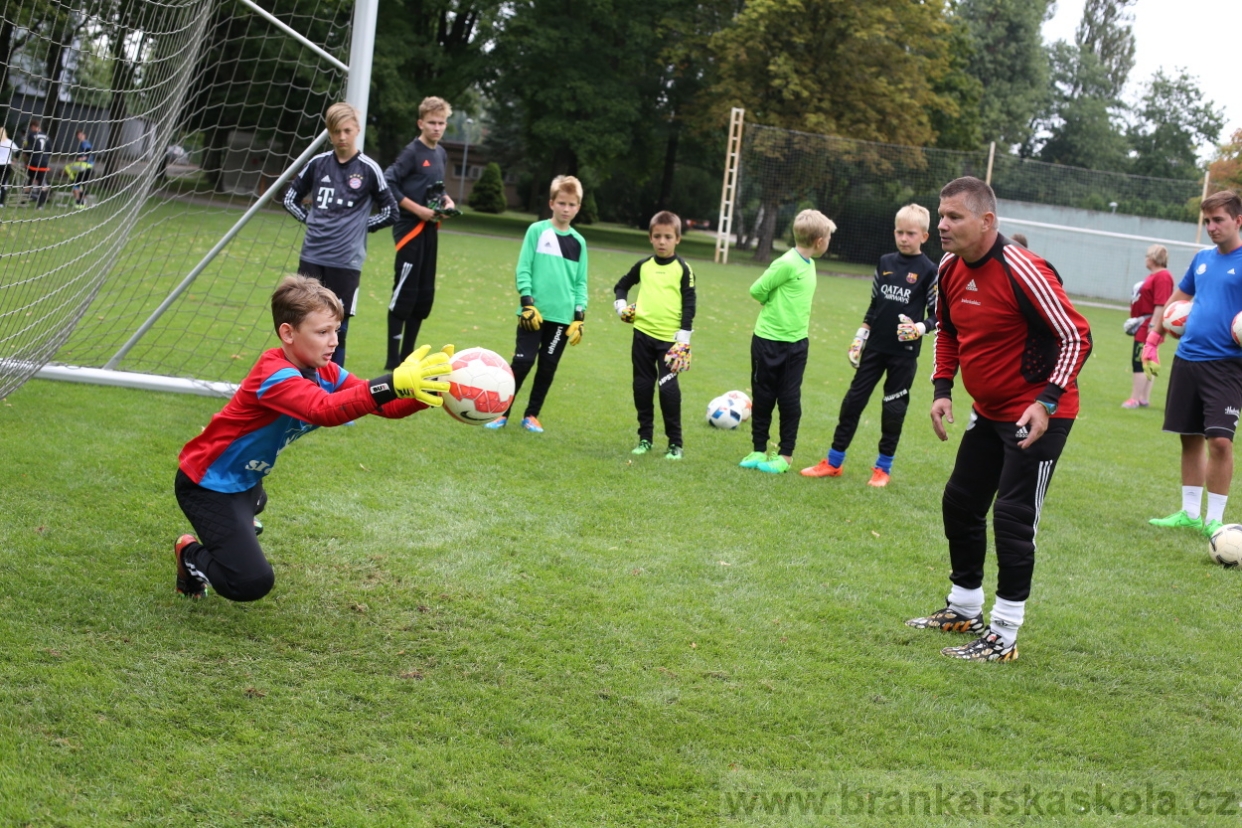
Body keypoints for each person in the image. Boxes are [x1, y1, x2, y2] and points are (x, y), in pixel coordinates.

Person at [172, 275, 453, 602]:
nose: (334, 341)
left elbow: (385, 407)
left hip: (246, 482)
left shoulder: (326, 372)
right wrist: (389, 382)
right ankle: (188, 553)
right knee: (250, 582)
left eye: (336, 330)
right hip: (206, 484)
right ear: (288, 333)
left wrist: (430, 390)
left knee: (253, 505)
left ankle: (246, 516)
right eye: (322, 332)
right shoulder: (274, 375)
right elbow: (323, 409)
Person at [906, 176, 1091, 662]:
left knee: (1012, 517)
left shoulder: (1023, 270)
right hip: (988, 411)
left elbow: (1077, 337)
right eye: (940, 215)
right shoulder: (947, 268)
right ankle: (965, 607)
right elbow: (947, 330)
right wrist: (942, 388)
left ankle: (1004, 634)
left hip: (1040, 414)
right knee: (961, 503)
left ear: (987, 221)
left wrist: (1046, 401)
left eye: (953, 217)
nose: (941, 225)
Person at [801, 204, 937, 486]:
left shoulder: (929, 270)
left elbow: (938, 316)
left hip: (904, 354)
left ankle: (882, 469)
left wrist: (918, 328)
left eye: (911, 233)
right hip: (874, 349)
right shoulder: (885, 262)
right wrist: (859, 337)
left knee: (893, 412)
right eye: (899, 232)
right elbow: (875, 305)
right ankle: (834, 462)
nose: (903, 238)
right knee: (852, 404)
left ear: (924, 236)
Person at [1147, 191, 1242, 539]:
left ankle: (1215, 519)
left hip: (1227, 366)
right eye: (1207, 221)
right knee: (1189, 437)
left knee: (1220, 442)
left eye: (1219, 220)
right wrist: (1154, 339)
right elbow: (1178, 299)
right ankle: (1189, 513)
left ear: (1238, 221)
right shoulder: (1201, 259)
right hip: (1187, 359)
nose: (1212, 227)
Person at [283, 102, 398, 367]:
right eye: (336, 131)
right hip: (312, 256)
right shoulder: (318, 163)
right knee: (303, 322)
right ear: (329, 132)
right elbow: (290, 199)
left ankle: (333, 390)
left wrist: (359, 229)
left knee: (338, 329)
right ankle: (299, 382)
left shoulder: (369, 168)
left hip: (345, 261)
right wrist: (310, 220)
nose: (342, 137)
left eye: (347, 130)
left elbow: (391, 211)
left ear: (357, 130)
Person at [485, 175, 589, 433]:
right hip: (534, 314)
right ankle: (501, 412)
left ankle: (531, 415)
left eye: (572, 205)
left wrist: (579, 316)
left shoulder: (579, 242)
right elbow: (524, 269)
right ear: (552, 203)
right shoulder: (537, 231)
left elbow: (580, 283)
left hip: (562, 318)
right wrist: (527, 302)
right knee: (522, 362)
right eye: (562, 203)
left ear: (578, 207)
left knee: (548, 366)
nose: (566, 209)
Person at [738, 209, 835, 474]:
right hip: (766, 341)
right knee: (763, 396)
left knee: (790, 399)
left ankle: (785, 455)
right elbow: (757, 289)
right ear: (819, 241)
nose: (829, 242)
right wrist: (772, 307)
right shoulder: (787, 263)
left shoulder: (809, 264)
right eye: (828, 237)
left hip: (796, 346)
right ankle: (759, 449)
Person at [613, 210, 697, 460]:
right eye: (657, 236)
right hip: (642, 335)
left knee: (668, 390)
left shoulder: (683, 268)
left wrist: (684, 339)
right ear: (650, 237)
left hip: (671, 342)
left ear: (677, 239)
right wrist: (621, 307)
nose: (662, 241)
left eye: (668, 237)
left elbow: (690, 303)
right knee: (641, 386)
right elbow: (622, 285)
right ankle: (645, 438)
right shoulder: (644, 266)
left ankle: (675, 444)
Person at [382, 96, 457, 370]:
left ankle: (407, 358)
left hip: (430, 231)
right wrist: (418, 210)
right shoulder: (411, 152)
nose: (437, 128)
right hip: (410, 232)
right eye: (432, 123)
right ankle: (392, 361)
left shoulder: (441, 153)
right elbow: (387, 182)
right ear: (421, 123)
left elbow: (437, 188)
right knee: (404, 294)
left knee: (423, 297)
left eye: (441, 123)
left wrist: (447, 202)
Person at [1121, 244, 1174, 409]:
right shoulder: (1155, 276)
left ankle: (1135, 398)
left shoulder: (1163, 277)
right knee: (1147, 361)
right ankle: (1143, 398)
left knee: (1140, 360)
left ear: (1152, 258)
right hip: (1144, 323)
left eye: (1147, 256)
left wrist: (1153, 325)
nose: (1145, 259)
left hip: (1148, 325)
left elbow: (1160, 303)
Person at [22, 120, 50, 209]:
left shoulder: (32, 135)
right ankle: (40, 205)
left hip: (34, 162)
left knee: (30, 179)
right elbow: (49, 150)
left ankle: (25, 199)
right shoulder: (46, 136)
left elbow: (29, 149)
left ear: (33, 126)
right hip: (44, 163)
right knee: (41, 182)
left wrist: (25, 157)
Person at [70, 130, 93, 209]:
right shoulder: (83, 143)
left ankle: (78, 201)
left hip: (85, 166)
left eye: (80, 135)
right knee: (81, 184)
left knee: (75, 183)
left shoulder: (85, 143)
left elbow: (88, 152)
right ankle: (82, 202)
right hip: (87, 166)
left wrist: (82, 158)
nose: (79, 136)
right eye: (78, 135)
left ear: (84, 135)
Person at [0, 127, 15, 207]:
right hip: (6, 164)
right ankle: (1, 203)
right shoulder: (9, 142)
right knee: (3, 184)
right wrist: (14, 160)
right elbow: (17, 150)